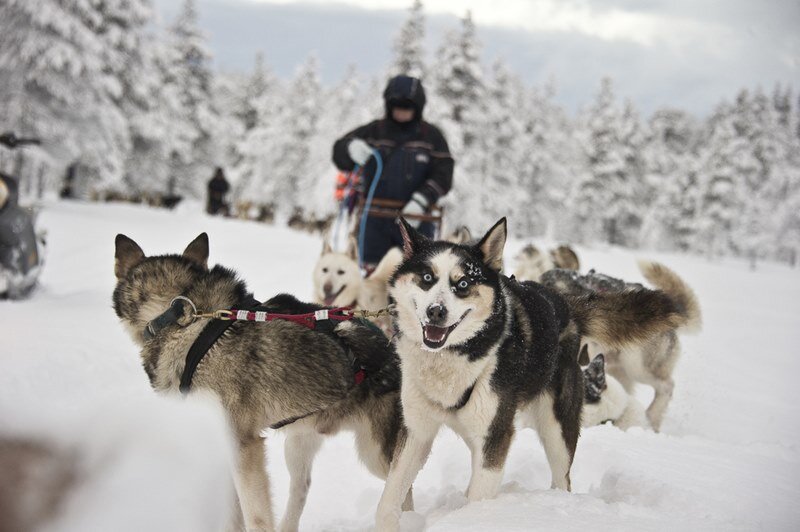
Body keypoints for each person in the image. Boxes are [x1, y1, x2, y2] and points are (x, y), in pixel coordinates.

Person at [332, 75, 454, 267]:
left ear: (418, 107)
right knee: (371, 277)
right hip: (374, 222)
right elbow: (339, 153)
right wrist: (349, 148)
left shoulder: (432, 137)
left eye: (407, 106)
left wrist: (422, 199)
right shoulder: (373, 132)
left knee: (414, 280)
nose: (401, 111)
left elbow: (444, 174)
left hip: (417, 222)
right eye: (396, 105)